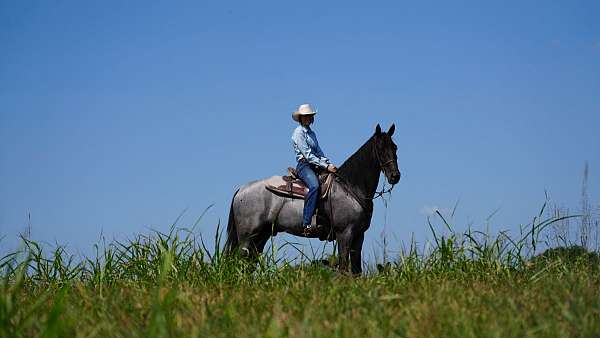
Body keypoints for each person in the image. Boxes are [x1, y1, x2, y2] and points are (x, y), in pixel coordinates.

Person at [291, 103, 337, 236]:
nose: (308, 118)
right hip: (304, 165)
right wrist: (326, 166)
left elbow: (319, 152)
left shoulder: (312, 133)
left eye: (309, 116)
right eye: (305, 116)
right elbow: (308, 155)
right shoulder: (298, 133)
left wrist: (328, 163)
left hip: (316, 164)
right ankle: (306, 223)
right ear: (301, 118)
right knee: (315, 186)